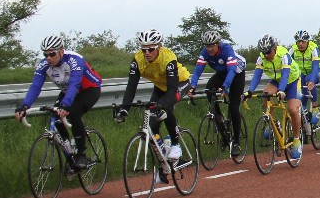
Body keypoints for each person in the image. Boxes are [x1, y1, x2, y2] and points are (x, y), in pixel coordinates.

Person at [13, 34, 103, 169]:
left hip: (89, 89)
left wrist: (65, 105)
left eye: (52, 54)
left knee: (73, 113)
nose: (48, 58)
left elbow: (74, 84)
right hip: (68, 91)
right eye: (45, 54)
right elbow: (36, 86)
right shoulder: (44, 65)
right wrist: (24, 105)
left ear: (61, 51)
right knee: (55, 117)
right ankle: (70, 154)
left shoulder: (75, 60)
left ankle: (81, 154)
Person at [114, 30, 191, 174]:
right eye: (144, 49)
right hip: (160, 87)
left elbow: (172, 88)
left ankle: (175, 145)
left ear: (159, 47)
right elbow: (131, 87)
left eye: (150, 49)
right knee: (152, 127)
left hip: (179, 83)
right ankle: (164, 165)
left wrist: (163, 105)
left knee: (166, 107)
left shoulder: (168, 58)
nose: (147, 53)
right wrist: (125, 109)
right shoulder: (138, 60)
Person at [182, 30, 247, 157]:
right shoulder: (205, 52)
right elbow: (198, 69)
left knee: (234, 107)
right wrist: (192, 86)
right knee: (208, 89)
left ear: (218, 44)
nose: (210, 49)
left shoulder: (226, 49)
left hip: (236, 73)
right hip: (222, 73)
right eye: (207, 46)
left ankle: (236, 143)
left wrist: (225, 87)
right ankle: (220, 118)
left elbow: (232, 70)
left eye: (212, 46)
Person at [246, 34, 304, 161]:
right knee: (266, 94)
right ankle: (272, 122)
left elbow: (285, 75)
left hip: (293, 81)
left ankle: (296, 140)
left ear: (275, 48)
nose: (266, 55)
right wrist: (249, 91)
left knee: (293, 109)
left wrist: (281, 90)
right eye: (264, 52)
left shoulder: (283, 55)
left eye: (268, 52)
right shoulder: (261, 58)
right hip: (277, 81)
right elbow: (257, 76)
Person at [290, 29, 320, 129]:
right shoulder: (293, 50)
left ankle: (315, 107)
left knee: (309, 80)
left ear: (307, 41)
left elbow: (315, 67)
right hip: (303, 73)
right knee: (301, 97)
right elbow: (287, 65)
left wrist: (312, 81)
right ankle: (305, 124)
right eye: (298, 41)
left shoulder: (313, 49)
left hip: (319, 70)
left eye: (303, 41)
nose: (300, 44)